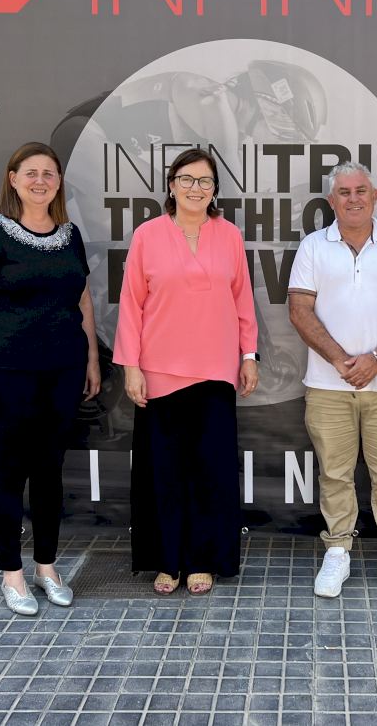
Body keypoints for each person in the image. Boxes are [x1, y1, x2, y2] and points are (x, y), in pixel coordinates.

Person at [0, 142, 101, 616]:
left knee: (49, 472)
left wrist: (91, 359)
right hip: (6, 373)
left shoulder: (69, 236)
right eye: (31, 173)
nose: (41, 181)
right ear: (13, 179)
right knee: (9, 472)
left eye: (49, 173)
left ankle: (46, 567)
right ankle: (12, 573)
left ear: (59, 182)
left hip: (63, 371)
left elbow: (82, 300)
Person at [114, 148, 259, 595]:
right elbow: (131, 304)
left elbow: (243, 300)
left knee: (209, 471)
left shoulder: (229, 235)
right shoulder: (147, 235)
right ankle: (168, 560)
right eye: (187, 179)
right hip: (159, 372)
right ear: (171, 185)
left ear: (215, 190)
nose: (196, 188)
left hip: (216, 371)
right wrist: (131, 367)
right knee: (165, 473)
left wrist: (249, 355)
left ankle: (202, 560)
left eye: (205, 181)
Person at [288, 162, 377, 600]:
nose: (353, 199)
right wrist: (340, 359)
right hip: (328, 386)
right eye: (343, 192)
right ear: (332, 201)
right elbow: (299, 309)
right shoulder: (313, 246)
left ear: (374, 195)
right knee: (334, 474)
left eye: (360, 190)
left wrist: (376, 360)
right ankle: (337, 551)